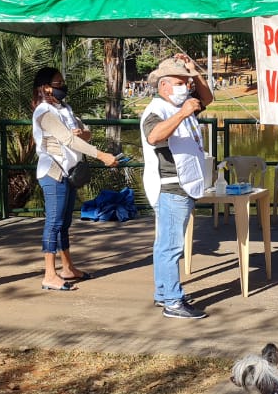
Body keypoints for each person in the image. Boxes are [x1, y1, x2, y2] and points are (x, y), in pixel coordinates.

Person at [32, 66, 121, 291]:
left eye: (62, 82)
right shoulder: (44, 112)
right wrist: (102, 156)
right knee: (54, 222)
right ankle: (50, 275)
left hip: (69, 173)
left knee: (64, 223)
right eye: (58, 83)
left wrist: (84, 134)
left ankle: (68, 268)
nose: (63, 86)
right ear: (45, 88)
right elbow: (67, 141)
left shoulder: (66, 109)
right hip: (53, 173)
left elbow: (84, 133)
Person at [140, 54, 214, 320]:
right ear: (164, 86)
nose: (187, 86)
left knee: (165, 245)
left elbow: (207, 98)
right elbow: (153, 136)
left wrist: (194, 71)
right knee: (171, 247)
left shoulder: (183, 104)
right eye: (180, 82)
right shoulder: (157, 110)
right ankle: (173, 301)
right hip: (171, 186)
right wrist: (183, 113)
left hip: (185, 184)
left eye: (188, 82)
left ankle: (164, 293)